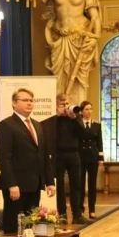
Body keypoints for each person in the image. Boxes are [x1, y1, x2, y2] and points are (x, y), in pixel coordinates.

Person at [0, 88, 55, 237]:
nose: (29, 103)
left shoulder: (37, 125)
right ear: (14, 103)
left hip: (34, 184)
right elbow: (4, 158)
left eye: (31, 100)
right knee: (13, 226)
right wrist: (12, 183)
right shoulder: (6, 125)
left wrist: (49, 181)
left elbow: (44, 156)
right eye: (25, 100)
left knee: (30, 226)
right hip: (15, 186)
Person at [36, 0, 101, 102]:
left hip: (79, 39)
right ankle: (60, 109)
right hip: (60, 39)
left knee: (79, 77)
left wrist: (95, 38)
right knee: (58, 77)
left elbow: (95, 17)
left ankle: (78, 108)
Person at [43, 93, 88, 224]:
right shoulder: (53, 117)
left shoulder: (75, 115)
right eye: (62, 104)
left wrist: (73, 118)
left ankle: (77, 215)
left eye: (67, 103)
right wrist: (57, 116)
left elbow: (83, 134)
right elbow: (47, 132)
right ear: (57, 104)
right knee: (60, 186)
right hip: (58, 154)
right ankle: (61, 215)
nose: (66, 106)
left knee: (77, 184)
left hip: (74, 153)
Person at [78, 101, 104, 219]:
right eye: (86, 109)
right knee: (80, 184)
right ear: (81, 111)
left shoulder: (97, 124)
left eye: (90, 109)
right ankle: (80, 209)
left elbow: (99, 142)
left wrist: (100, 157)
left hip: (93, 156)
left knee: (92, 184)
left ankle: (92, 210)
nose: (89, 112)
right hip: (80, 156)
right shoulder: (78, 124)